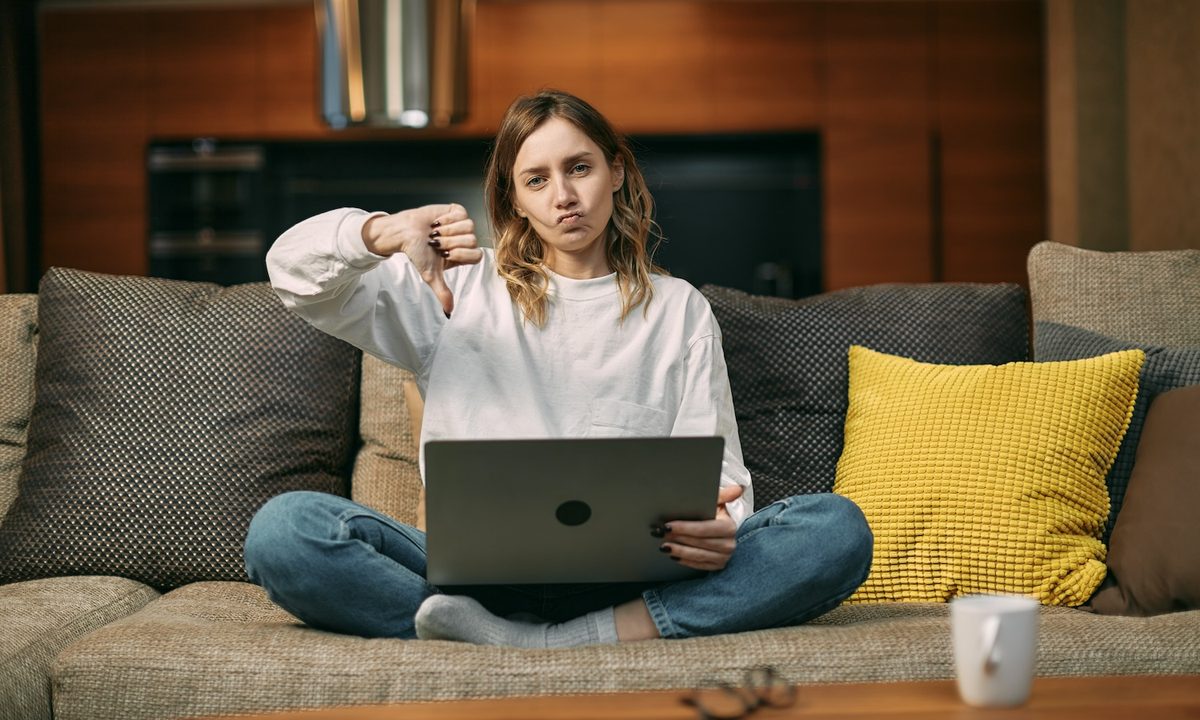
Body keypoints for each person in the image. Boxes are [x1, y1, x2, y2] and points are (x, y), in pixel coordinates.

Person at [244, 89, 872, 647]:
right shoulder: (457, 287)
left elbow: (724, 476)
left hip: (628, 583)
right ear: (514, 201)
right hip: (468, 579)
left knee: (834, 531)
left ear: (616, 172)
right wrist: (383, 231)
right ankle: (474, 625)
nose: (565, 197)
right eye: (536, 179)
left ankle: (560, 637)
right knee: (286, 529)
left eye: (579, 168)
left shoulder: (679, 309)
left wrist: (720, 527)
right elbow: (294, 276)